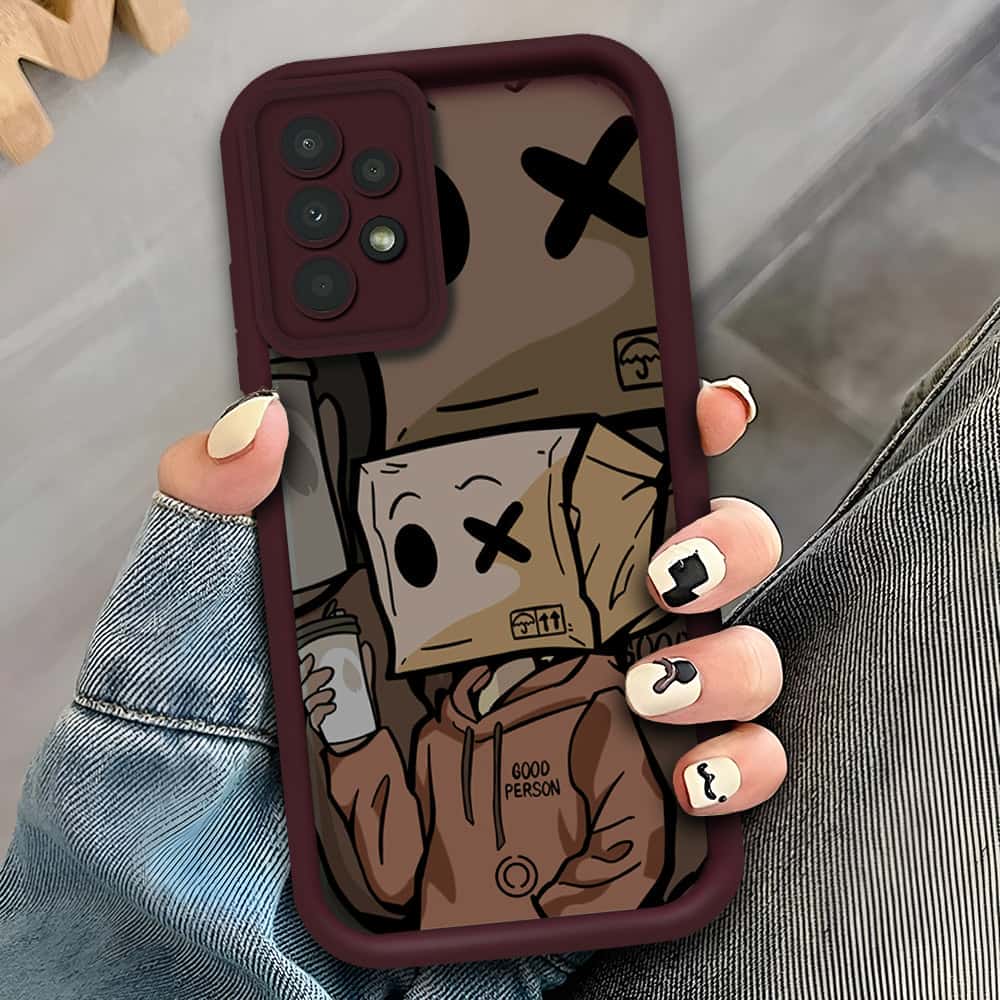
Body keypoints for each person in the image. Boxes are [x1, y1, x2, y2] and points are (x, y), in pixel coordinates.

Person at [1, 298, 997, 998]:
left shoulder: (573, 704)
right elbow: (394, 858)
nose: (457, 566)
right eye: (414, 547)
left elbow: (483, 860)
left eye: (500, 527)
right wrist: (346, 726)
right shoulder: (446, 720)